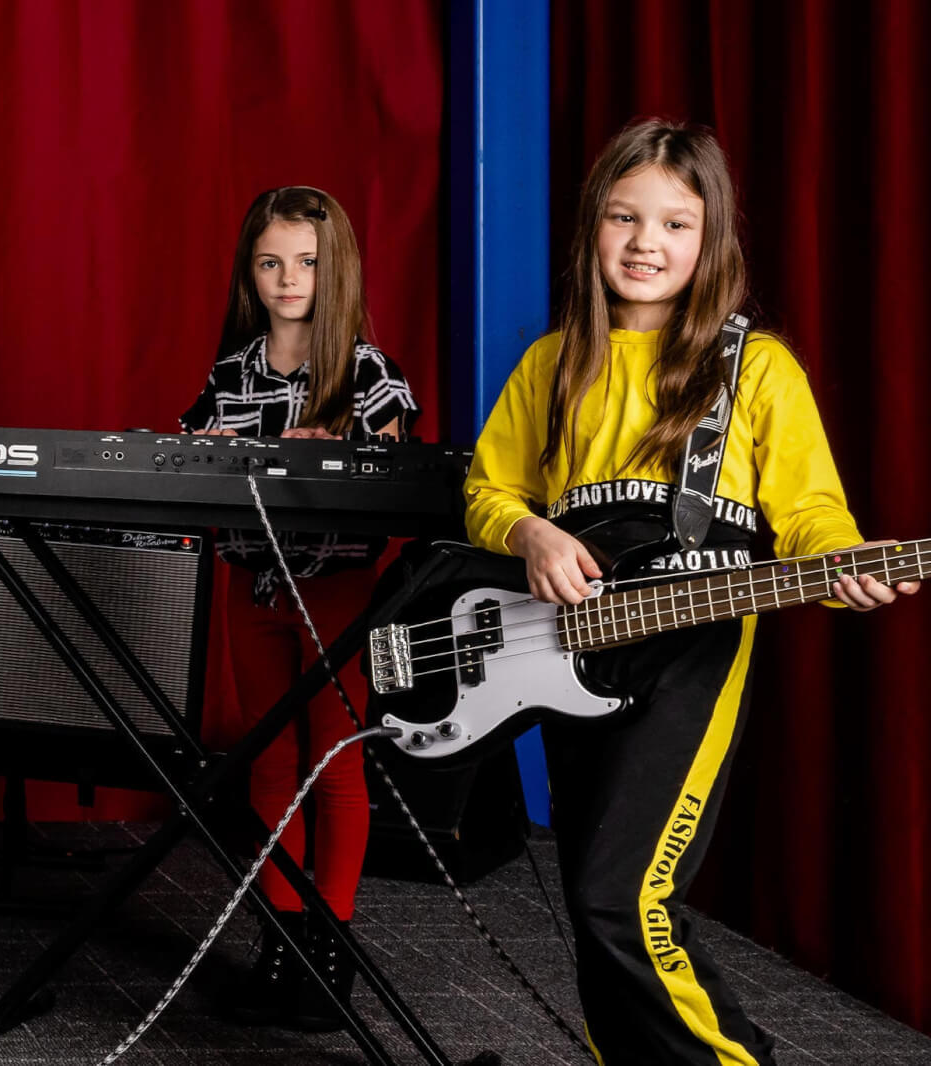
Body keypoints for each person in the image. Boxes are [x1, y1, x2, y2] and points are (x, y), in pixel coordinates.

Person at [463, 119, 919, 1065]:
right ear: (593, 228)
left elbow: (809, 516)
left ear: (712, 243)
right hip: (569, 651)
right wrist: (530, 531)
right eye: (625, 219)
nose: (646, 244)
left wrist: (845, 563)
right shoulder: (553, 365)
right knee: (590, 910)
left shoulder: (754, 371)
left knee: (621, 897)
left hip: (693, 654)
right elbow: (487, 488)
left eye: (677, 224)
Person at [179, 186, 420, 1030]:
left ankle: (332, 953)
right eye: (271, 261)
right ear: (250, 270)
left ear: (336, 270)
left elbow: (392, 476)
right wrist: (202, 457)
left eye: (307, 263)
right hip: (252, 584)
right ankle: (278, 947)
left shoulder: (368, 373)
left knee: (335, 762)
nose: (289, 279)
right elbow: (190, 461)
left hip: (335, 587)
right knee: (271, 761)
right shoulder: (230, 374)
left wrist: (336, 455)